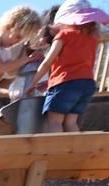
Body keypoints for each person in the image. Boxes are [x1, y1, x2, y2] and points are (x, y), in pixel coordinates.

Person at [25, 2, 109, 132]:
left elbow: (47, 62)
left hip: (65, 83)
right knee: (70, 122)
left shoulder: (64, 35)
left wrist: (33, 82)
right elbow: (76, 67)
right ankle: (75, 151)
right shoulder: (93, 38)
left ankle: (58, 151)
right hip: (87, 84)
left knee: (55, 121)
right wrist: (50, 82)